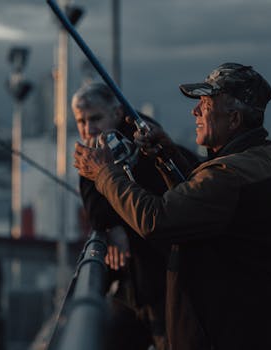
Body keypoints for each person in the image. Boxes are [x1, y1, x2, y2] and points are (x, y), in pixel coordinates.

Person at [74, 63, 271, 350]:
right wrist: (167, 156)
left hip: (246, 335)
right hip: (268, 328)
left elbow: (157, 219)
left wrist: (103, 173)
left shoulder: (230, 175)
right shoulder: (263, 155)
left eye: (205, 105)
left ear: (234, 119)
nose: (195, 112)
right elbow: (201, 198)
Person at [71, 82, 197, 350]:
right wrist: (112, 226)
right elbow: (94, 200)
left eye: (95, 118)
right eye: (81, 121)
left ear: (117, 114)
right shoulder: (103, 149)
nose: (88, 129)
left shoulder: (146, 144)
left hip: (168, 278)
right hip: (136, 284)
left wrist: (110, 222)